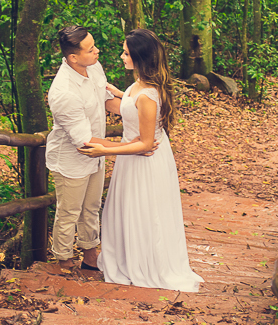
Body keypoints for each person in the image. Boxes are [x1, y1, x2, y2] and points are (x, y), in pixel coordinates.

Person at [78, 29, 203, 292]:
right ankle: (127, 258)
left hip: (145, 160)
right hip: (132, 158)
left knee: (145, 212)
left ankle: (148, 264)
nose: (121, 56)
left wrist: (105, 149)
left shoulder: (148, 95)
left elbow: (146, 143)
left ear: (139, 57)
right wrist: (107, 92)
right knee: (128, 209)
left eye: (126, 52)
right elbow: (127, 107)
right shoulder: (138, 86)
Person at [45, 25, 123, 271]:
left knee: (91, 207)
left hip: (96, 155)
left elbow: (107, 100)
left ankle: (90, 257)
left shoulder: (93, 67)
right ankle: (64, 261)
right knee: (69, 212)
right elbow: (84, 141)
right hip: (72, 159)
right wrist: (130, 147)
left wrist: (142, 111)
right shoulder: (63, 92)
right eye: (91, 50)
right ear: (73, 58)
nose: (97, 51)